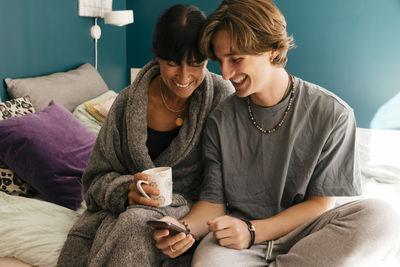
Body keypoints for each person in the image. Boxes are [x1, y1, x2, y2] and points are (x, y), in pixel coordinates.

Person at [151, 0, 400, 266]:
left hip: (309, 231)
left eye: (235, 59)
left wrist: (254, 232)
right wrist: (182, 227)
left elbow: (321, 205)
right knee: (206, 262)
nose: (225, 74)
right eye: (220, 62)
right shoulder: (220, 120)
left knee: (382, 218)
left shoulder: (333, 113)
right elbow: (213, 204)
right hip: (238, 238)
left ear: (271, 49)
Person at [57, 4, 234, 267]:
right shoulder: (128, 103)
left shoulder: (221, 98)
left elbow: (229, 183)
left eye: (196, 64)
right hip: (129, 210)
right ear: (157, 57)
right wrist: (126, 192)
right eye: (172, 64)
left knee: (137, 225)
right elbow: (94, 180)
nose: (184, 76)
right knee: (133, 222)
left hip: (192, 211)